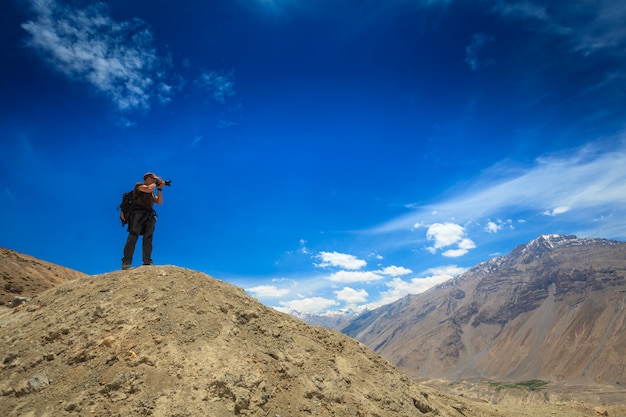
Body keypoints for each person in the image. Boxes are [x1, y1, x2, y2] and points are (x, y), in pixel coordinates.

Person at [121, 172, 165, 270]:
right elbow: (148, 189)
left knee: (148, 238)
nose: (154, 179)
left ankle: (147, 261)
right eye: (153, 178)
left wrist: (160, 189)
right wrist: (157, 183)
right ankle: (126, 261)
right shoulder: (139, 185)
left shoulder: (152, 191)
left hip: (149, 216)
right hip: (138, 215)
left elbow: (159, 202)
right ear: (147, 178)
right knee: (133, 236)